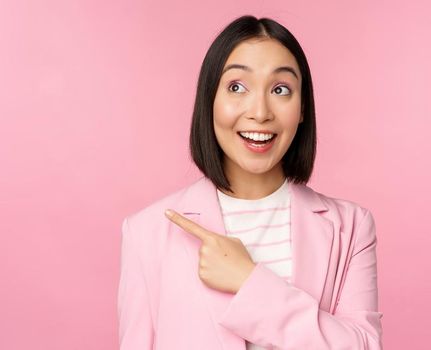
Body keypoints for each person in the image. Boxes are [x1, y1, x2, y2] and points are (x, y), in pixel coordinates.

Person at [118, 15, 383, 349]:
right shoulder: (146, 233)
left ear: (302, 108)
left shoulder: (352, 227)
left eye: (280, 89)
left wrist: (249, 282)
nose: (260, 111)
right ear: (209, 100)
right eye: (236, 87)